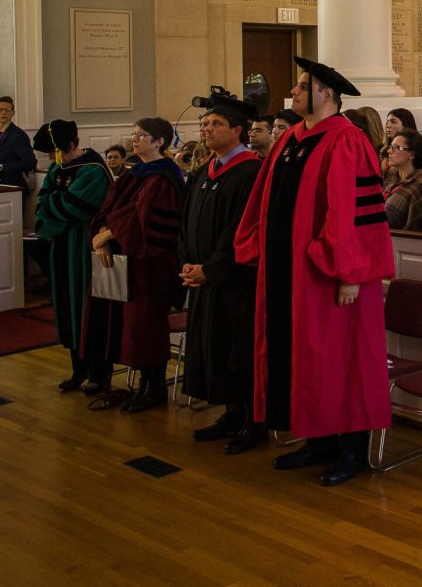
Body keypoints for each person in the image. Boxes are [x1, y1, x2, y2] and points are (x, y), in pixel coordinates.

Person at [233, 57, 396, 487]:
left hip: (329, 275)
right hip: (288, 272)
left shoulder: (348, 141)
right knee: (304, 359)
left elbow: (352, 213)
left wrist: (350, 272)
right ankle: (318, 438)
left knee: (341, 360)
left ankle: (352, 450)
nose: (294, 91)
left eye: (303, 86)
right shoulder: (289, 140)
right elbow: (262, 201)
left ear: (326, 94)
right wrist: (257, 248)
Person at [179, 92, 264, 453]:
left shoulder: (251, 172)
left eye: (215, 124)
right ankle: (231, 412)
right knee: (214, 349)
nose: (206, 129)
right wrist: (187, 262)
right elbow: (186, 222)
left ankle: (253, 422)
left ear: (237, 131)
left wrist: (212, 269)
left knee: (238, 350)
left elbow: (242, 230)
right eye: (205, 124)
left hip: (236, 281)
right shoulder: (204, 171)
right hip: (204, 279)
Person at [84, 116, 186, 414]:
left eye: (142, 135)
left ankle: (153, 386)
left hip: (151, 263)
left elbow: (146, 220)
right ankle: (141, 383)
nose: (134, 139)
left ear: (160, 142)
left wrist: (106, 235)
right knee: (130, 325)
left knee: (145, 325)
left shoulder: (164, 176)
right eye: (134, 134)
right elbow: (112, 207)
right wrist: (101, 236)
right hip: (126, 260)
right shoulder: (136, 172)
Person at [33, 120, 115, 394]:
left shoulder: (93, 170)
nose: (52, 158)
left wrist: (55, 206)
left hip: (84, 245)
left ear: (70, 145)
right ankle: (77, 369)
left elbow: (74, 208)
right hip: (62, 244)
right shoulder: (59, 168)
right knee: (66, 306)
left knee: (86, 306)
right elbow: (43, 202)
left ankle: (99, 372)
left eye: (54, 151)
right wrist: (55, 206)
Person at [383, 130, 422, 233]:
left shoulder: (420, 186)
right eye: (390, 146)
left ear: (411, 155)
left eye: (396, 148)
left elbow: (416, 232)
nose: (389, 151)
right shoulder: (393, 178)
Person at [0, 96, 36, 191]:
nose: (3, 112)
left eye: (7, 109)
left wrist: (0, 167)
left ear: (13, 113)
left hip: (14, 185)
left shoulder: (18, 134)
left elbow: (30, 162)